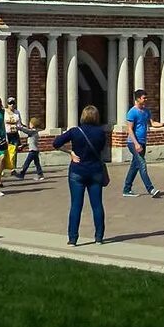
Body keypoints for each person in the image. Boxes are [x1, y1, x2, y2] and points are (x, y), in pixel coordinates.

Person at [54, 104, 109, 246]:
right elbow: (102, 149)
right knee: (97, 205)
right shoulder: (101, 132)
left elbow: (56, 143)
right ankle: (99, 237)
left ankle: (73, 238)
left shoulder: (75, 131)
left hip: (77, 170)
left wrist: (70, 152)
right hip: (95, 170)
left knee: (76, 205)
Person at [123, 88, 164, 197]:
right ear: (138, 99)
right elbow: (130, 129)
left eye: (146, 97)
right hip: (133, 142)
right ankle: (151, 189)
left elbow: (152, 123)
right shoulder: (132, 112)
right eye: (144, 98)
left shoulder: (146, 111)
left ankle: (126, 189)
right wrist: (136, 144)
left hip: (142, 142)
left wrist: (163, 124)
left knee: (135, 166)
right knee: (142, 164)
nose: (146, 99)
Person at [4, 96, 23, 175]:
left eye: (13, 103)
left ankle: (13, 168)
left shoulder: (17, 112)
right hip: (7, 133)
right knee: (6, 151)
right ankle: (3, 168)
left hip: (14, 133)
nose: (11, 105)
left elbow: (19, 123)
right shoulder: (4, 112)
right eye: (10, 103)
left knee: (14, 151)